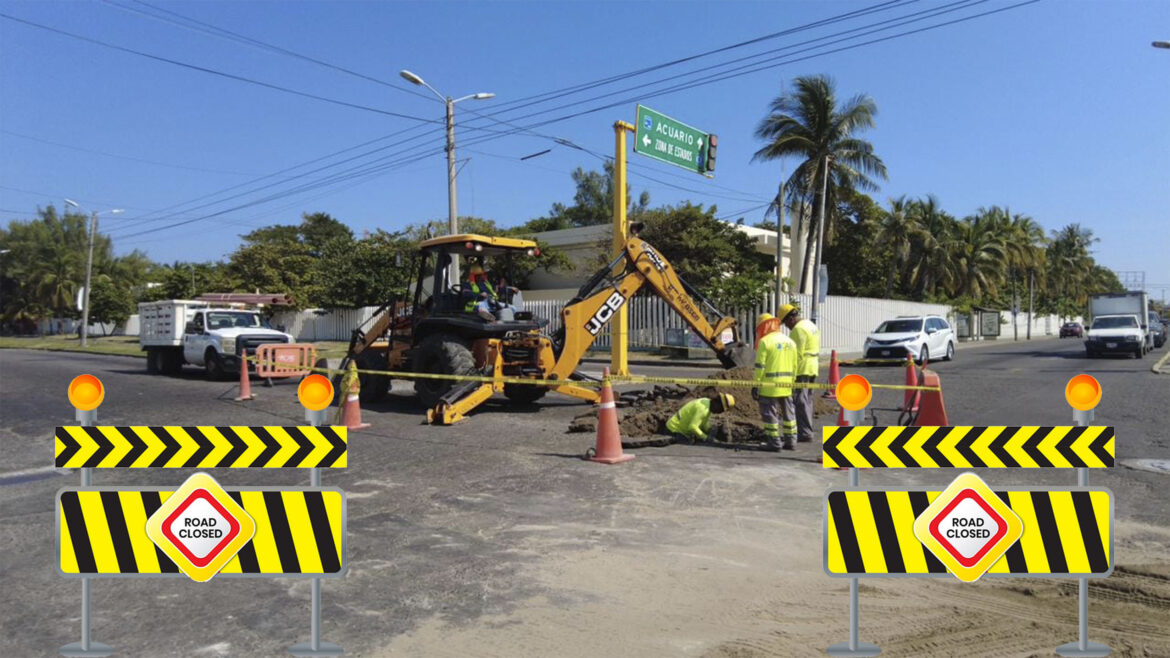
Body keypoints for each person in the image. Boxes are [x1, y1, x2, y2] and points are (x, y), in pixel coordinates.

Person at [753, 313, 798, 450]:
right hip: (787, 384)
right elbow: (795, 365)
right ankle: (791, 441)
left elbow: (760, 366)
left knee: (770, 413)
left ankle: (774, 443)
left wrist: (756, 385)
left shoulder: (765, 342)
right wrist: (793, 382)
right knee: (789, 413)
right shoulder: (790, 342)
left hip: (769, 385)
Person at [780, 303, 820, 444]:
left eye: (785, 323)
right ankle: (806, 430)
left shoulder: (798, 330)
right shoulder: (811, 325)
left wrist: (789, 373)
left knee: (800, 401)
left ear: (790, 319)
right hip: (812, 367)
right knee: (807, 400)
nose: (787, 327)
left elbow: (796, 354)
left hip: (802, 368)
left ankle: (804, 432)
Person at [665, 392, 736, 442]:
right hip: (675, 430)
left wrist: (709, 429)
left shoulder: (706, 402)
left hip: (675, 427)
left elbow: (703, 422)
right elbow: (692, 427)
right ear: (718, 404)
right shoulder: (703, 409)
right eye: (721, 410)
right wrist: (706, 438)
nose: (719, 412)